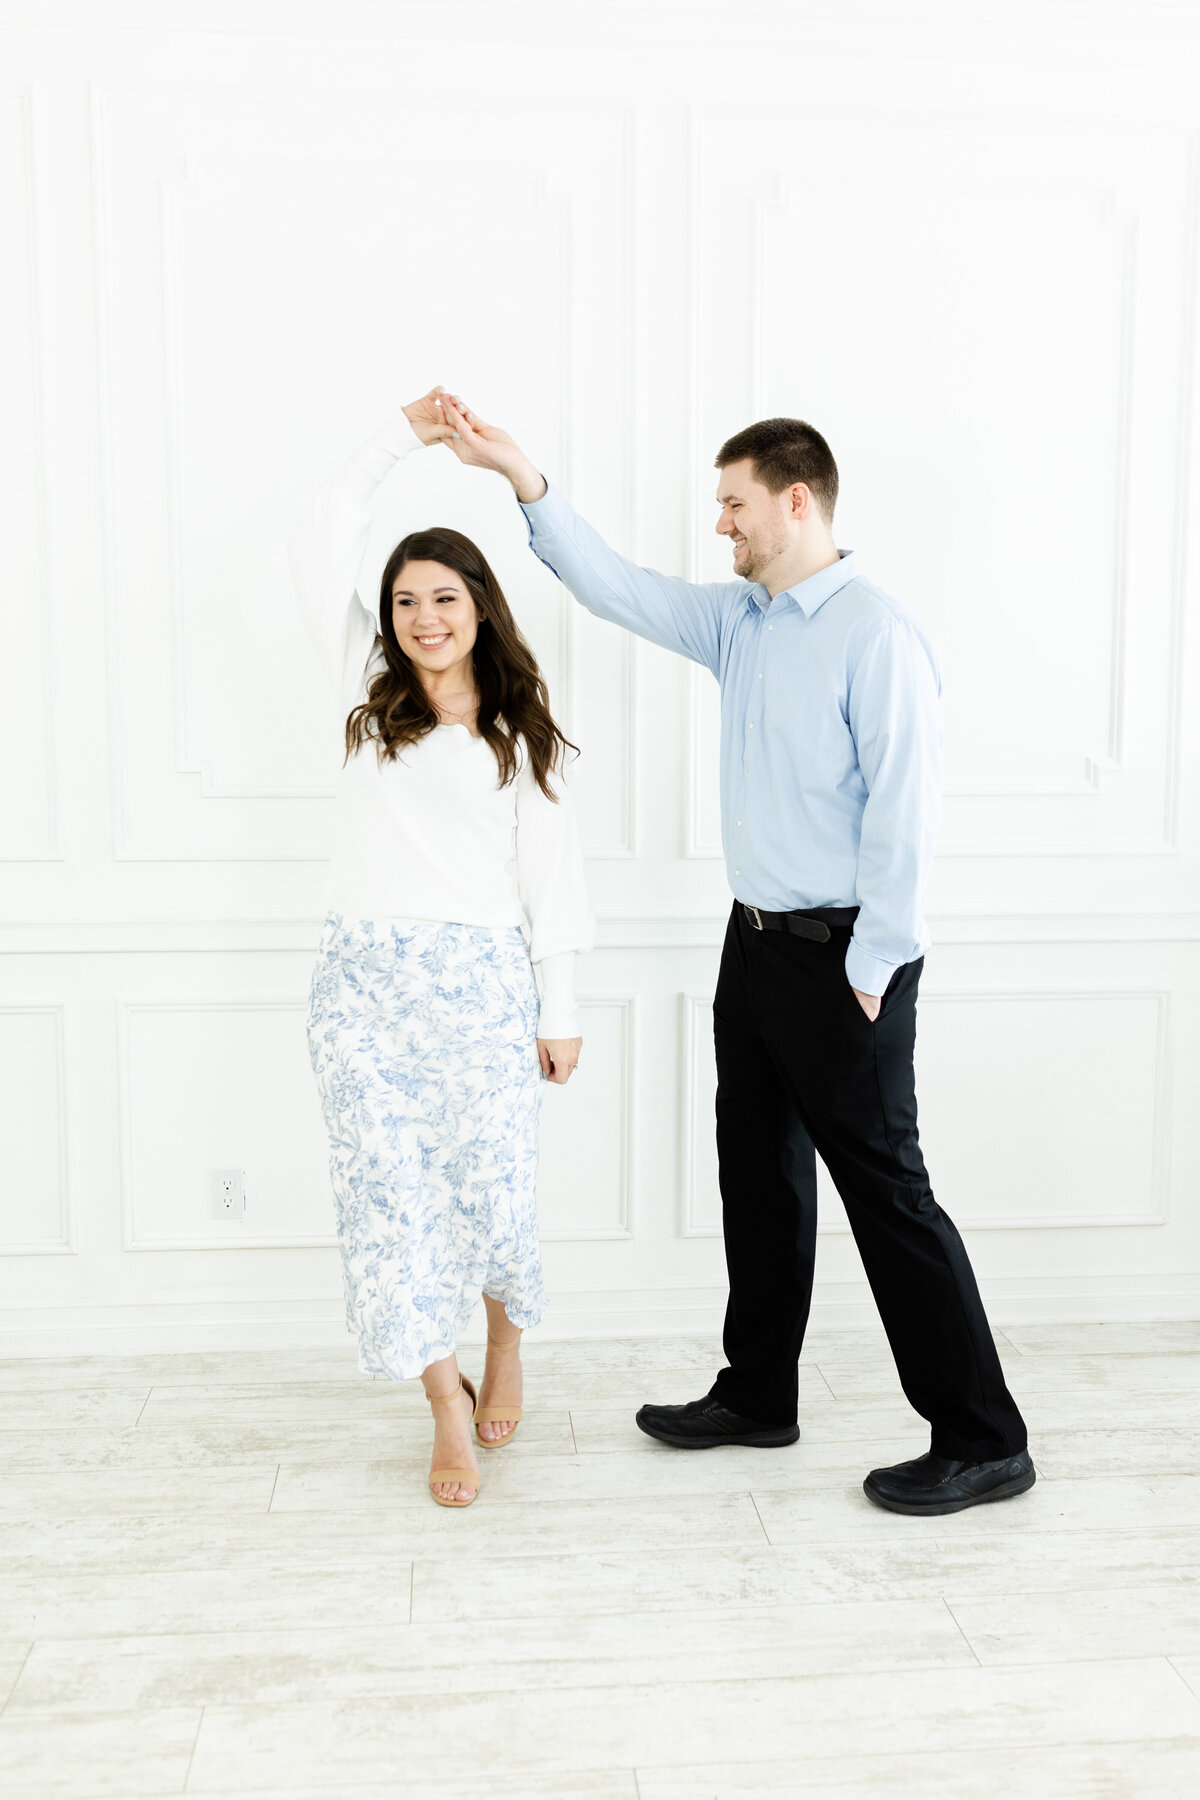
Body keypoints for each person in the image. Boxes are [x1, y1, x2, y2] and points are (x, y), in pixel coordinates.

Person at [431, 391, 1033, 1517]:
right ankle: (759, 1394)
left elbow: (906, 817)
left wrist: (873, 968)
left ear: (796, 503)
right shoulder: (740, 623)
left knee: (890, 1197)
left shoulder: (877, 634)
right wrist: (522, 478)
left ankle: (984, 1438)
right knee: (758, 1180)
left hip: (848, 959)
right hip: (752, 948)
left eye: (734, 505)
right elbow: (616, 588)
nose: (721, 525)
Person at [289, 387, 593, 1509]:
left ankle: (504, 1345)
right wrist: (399, 440)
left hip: (479, 986)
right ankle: (443, 1405)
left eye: (444, 597)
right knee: (390, 1205)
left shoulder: (521, 728)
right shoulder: (362, 694)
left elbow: (551, 878)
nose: (424, 617)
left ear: (480, 607)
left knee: (495, 1193)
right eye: (406, 600)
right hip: (359, 987)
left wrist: (558, 1008)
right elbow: (322, 524)